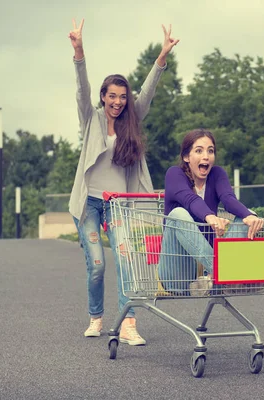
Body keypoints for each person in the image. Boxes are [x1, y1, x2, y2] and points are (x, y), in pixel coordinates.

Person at [67, 18, 179, 344]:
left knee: (128, 260)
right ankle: (96, 317)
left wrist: (162, 56)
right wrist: (79, 51)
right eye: (112, 96)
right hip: (89, 201)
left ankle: (129, 322)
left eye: (122, 97)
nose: (117, 102)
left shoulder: (133, 118)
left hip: (118, 204)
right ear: (103, 97)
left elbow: (148, 92)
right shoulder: (91, 119)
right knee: (98, 265)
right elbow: (81, 88)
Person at [158, 129, 264, 295]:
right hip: (178, 272)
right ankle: (230, 276)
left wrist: (251, 216)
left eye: (210, 151)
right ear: (186, 157)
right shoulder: (174, 174)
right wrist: (210, 217)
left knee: (246, 215)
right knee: (178, 214)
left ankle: (218, 276)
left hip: (207, 276)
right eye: (199, 150)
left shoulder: (217, 174)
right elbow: (190, 199)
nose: (206, 156)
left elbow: (229, 199)